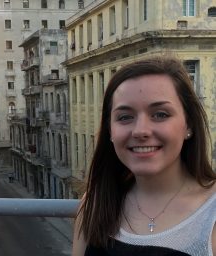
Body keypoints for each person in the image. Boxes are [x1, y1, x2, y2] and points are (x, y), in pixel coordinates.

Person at [72, 56, 216, 255]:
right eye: (125, 117)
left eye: (160, 114)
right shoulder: (94, 205)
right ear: (110, 130)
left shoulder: (211, 214)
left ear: (188, 125)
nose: (140, 131)